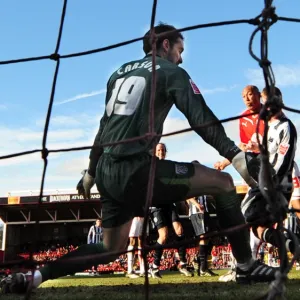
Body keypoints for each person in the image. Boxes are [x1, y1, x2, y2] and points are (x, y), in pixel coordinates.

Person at [3, 22, 278, 294]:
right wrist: (234, 154)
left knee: (110, 248)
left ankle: (35, 276)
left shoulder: (117, 74)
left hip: (106, 172)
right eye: (179, 50)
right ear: (166, 45)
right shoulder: (172, 72)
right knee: (224, 182)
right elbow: (201, 119)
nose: (181, 58)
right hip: (136, 169)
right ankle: (245, 265)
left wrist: (90, 171)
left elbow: (103, 126)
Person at [149, 143, 192, 278]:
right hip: (156, 205)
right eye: (159, 150)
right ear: (155, 152)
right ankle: (154, 267)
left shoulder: (169, 166)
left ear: (165, 152)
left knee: (179, 230)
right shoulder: (151, 167)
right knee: (164, 236)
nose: (161, 152)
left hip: (169, 203)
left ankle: (183, 264)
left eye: (163, 150)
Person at [186, 160, 218, 276]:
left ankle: (200, 263)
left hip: (205, 212)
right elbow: (188, 196)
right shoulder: (191, 181)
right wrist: (197, 205)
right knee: (203, 236)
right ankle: (203, 268)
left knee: (210, 236)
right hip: (197, 212)